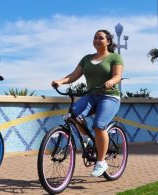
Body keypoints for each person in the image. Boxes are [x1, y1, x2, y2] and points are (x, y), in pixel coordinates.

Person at [51, 29, 124, 177]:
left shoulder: (114, 57)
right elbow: (73, 75)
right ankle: (87, 139)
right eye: (95, 37)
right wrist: (61, 81)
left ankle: (101, 161)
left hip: (109, 97)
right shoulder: (87, 58)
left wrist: (110, 82)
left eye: (101, 38)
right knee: (72, 115)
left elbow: (117, 76)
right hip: (91, 95)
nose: (97, 40)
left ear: (108, 41)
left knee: (98, 125)